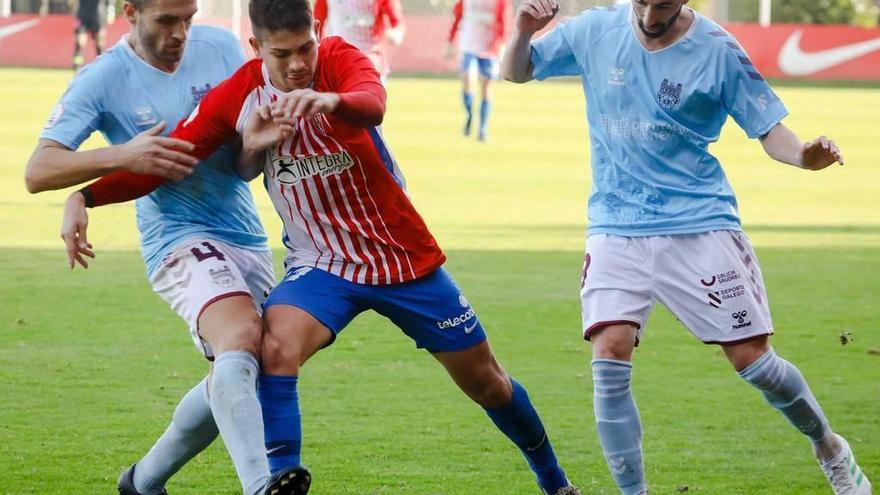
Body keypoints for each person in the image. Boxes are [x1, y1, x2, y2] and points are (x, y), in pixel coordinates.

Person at [71, 1, 581, 493]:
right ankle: (281, 479)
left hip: (402, 257)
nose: (297, 65)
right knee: (273, 347)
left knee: (487, 382)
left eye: (304, 48)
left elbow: (373, 104)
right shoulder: (240, 94)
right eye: (282, 54)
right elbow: (175, 155)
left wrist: (328, 99)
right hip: (322, 264)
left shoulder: (338, 59)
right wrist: (88, 196)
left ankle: (554, 482)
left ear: (317, 30)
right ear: (256, 47)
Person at [501, 1, 872, 494]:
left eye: (664, 2)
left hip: (698, 223)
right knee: (609, 356)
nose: (651, 11)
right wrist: (524, 31)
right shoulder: (595, 29)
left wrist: (805, 156)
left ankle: (829, 447)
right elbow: (517, 71)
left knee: (755, 363)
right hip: (616, 223)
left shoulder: (717, 49)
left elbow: (768, 128)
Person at [25, 0, 309, 494]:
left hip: (245, 234)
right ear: (130, 11)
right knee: (239, 338)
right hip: (176, 237)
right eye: (166, 20)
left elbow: (241, 166)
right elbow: (39, 170)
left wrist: (255, 144)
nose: (181, 32)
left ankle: (144, 482)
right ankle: (259, 486)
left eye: (188, 17)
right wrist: (120, 156)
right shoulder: (105, 77)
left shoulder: (221, 47)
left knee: (242, 370)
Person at [446, 0, 510, 141]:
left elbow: (503, 20)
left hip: (489, 47)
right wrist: (451, 41)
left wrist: (501, 44)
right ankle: (470, 115)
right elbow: (458, 16)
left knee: (486, 88)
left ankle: (483, 129)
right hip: (468, 45)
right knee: (468, 80)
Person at [313, 0, 405, 82]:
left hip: (371, 61)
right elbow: (317, 22)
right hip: (336, 61)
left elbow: (397, 21)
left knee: (368, 99)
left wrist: (397, 33)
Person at [73, 0, 109, 70]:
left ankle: (101, 65)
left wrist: (110, 10)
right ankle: (77, 65)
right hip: (82, 14)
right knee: (80, 40)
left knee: (99, 41)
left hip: (97, 13)